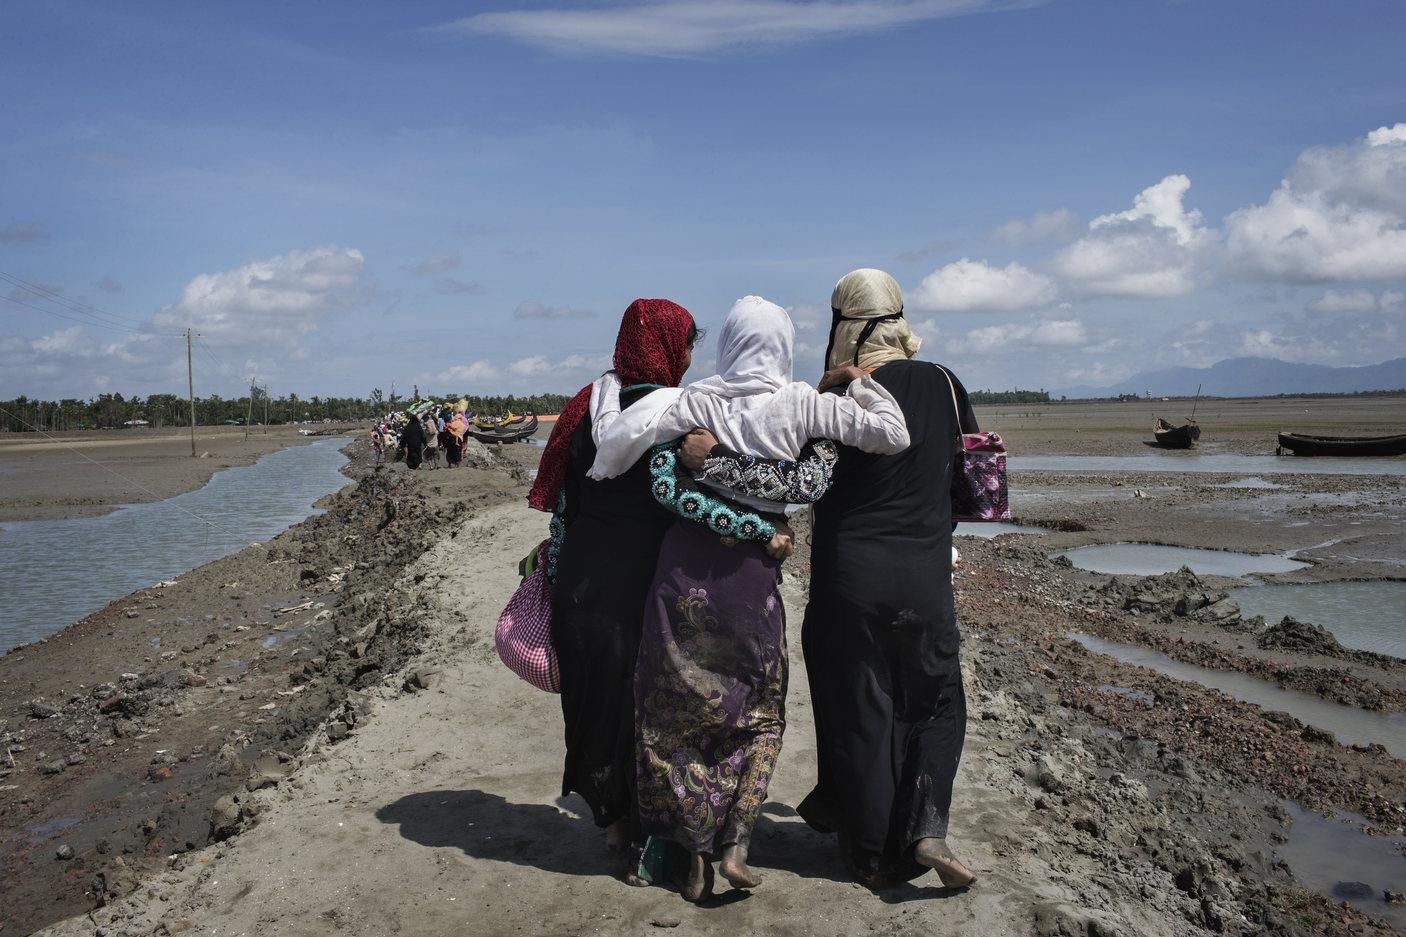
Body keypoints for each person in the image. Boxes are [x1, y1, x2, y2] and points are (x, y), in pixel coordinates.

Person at [589, 296, 910, 902]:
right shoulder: (804, 404)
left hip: (683, 572)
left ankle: (691, 855)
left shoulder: (696, 400)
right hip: (752, 578)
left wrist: (610, 404)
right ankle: (736, 842)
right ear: (784, 346)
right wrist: (856, 382)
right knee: (756, 710)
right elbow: (893, 434)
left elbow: (618, 441)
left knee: (673, 716)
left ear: (728, 344)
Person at [529, 298, 782, 884]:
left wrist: (556, 575)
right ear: (670, 347)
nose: (689, 359)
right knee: (647, 708)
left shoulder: (585, 406)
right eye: (688, 346)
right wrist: (758, 528)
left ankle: (614, 826)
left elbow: (564, 506)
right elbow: (679, 496)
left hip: (584, 583)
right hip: (645, 585)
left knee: (594, 699)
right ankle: (651, 838)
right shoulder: (672, 412)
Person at [797, 269, 977, 888]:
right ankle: (927, 829)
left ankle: (870, 853)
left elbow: (808, 479)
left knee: (859, 702)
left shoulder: (838, 394)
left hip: (848, 575)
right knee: (937, 697)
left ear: (842, 325)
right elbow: (966, 471)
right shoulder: (944, 383)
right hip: (924, 573)